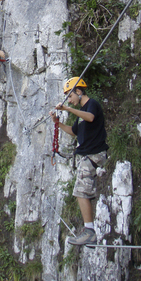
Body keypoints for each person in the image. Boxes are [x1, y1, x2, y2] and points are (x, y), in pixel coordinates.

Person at [50, 77, 108, 246]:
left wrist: (67, 108)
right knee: (81, 191)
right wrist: (57, 123)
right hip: (88, 155)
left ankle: (89, 232)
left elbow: (90, 117)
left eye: (70, 96)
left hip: (93, 154)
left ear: (79, 91)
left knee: (81, 192)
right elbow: (73, 131)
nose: (69, 100)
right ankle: (89, 231)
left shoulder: (92, 105)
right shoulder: (81, 112)